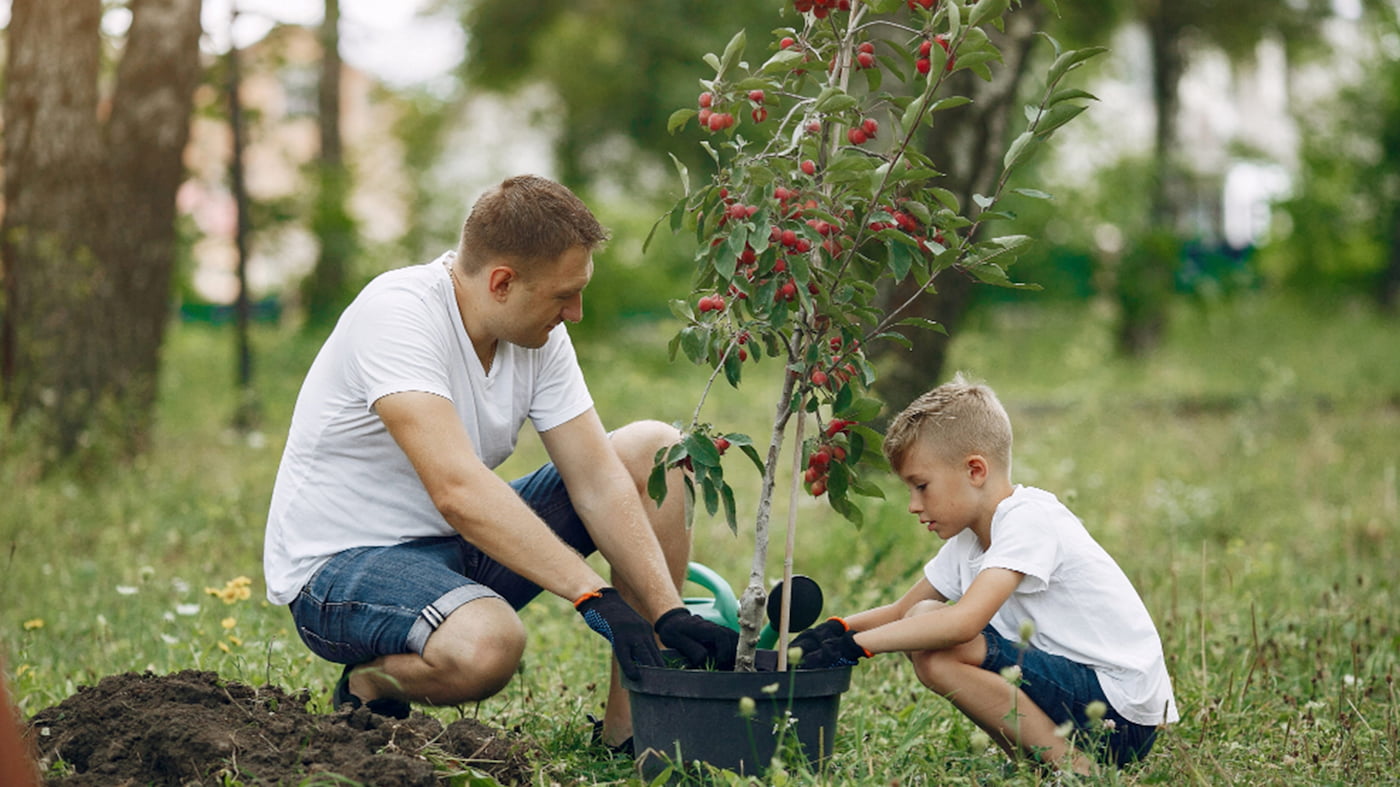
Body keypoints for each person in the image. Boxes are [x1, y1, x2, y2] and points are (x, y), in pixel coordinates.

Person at [263, 175, 737, 751]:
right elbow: (458, 490)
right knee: (489, 647)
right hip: (342, 569)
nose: (577, 312)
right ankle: (368, 683)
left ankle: (631, 735)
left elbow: (597, 479)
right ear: (502, 282)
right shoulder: (397, 315)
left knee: (654, 449)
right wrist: (595, 594)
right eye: (564, 295)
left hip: (455, 552)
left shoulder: (536, 334)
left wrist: (667, 611)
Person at [794, 374, 1177, 772]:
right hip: (1075, 697)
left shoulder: (1029, 518)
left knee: (935, 635)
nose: (912, 504)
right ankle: (1039, 763)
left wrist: (857, 647)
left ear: (975, 470)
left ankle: (1077, 772)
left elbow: (963, 624)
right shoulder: (969, 541)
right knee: (926, 637)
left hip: (1119, 714)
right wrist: (834, 631)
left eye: (921, 486)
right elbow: (901, 610)